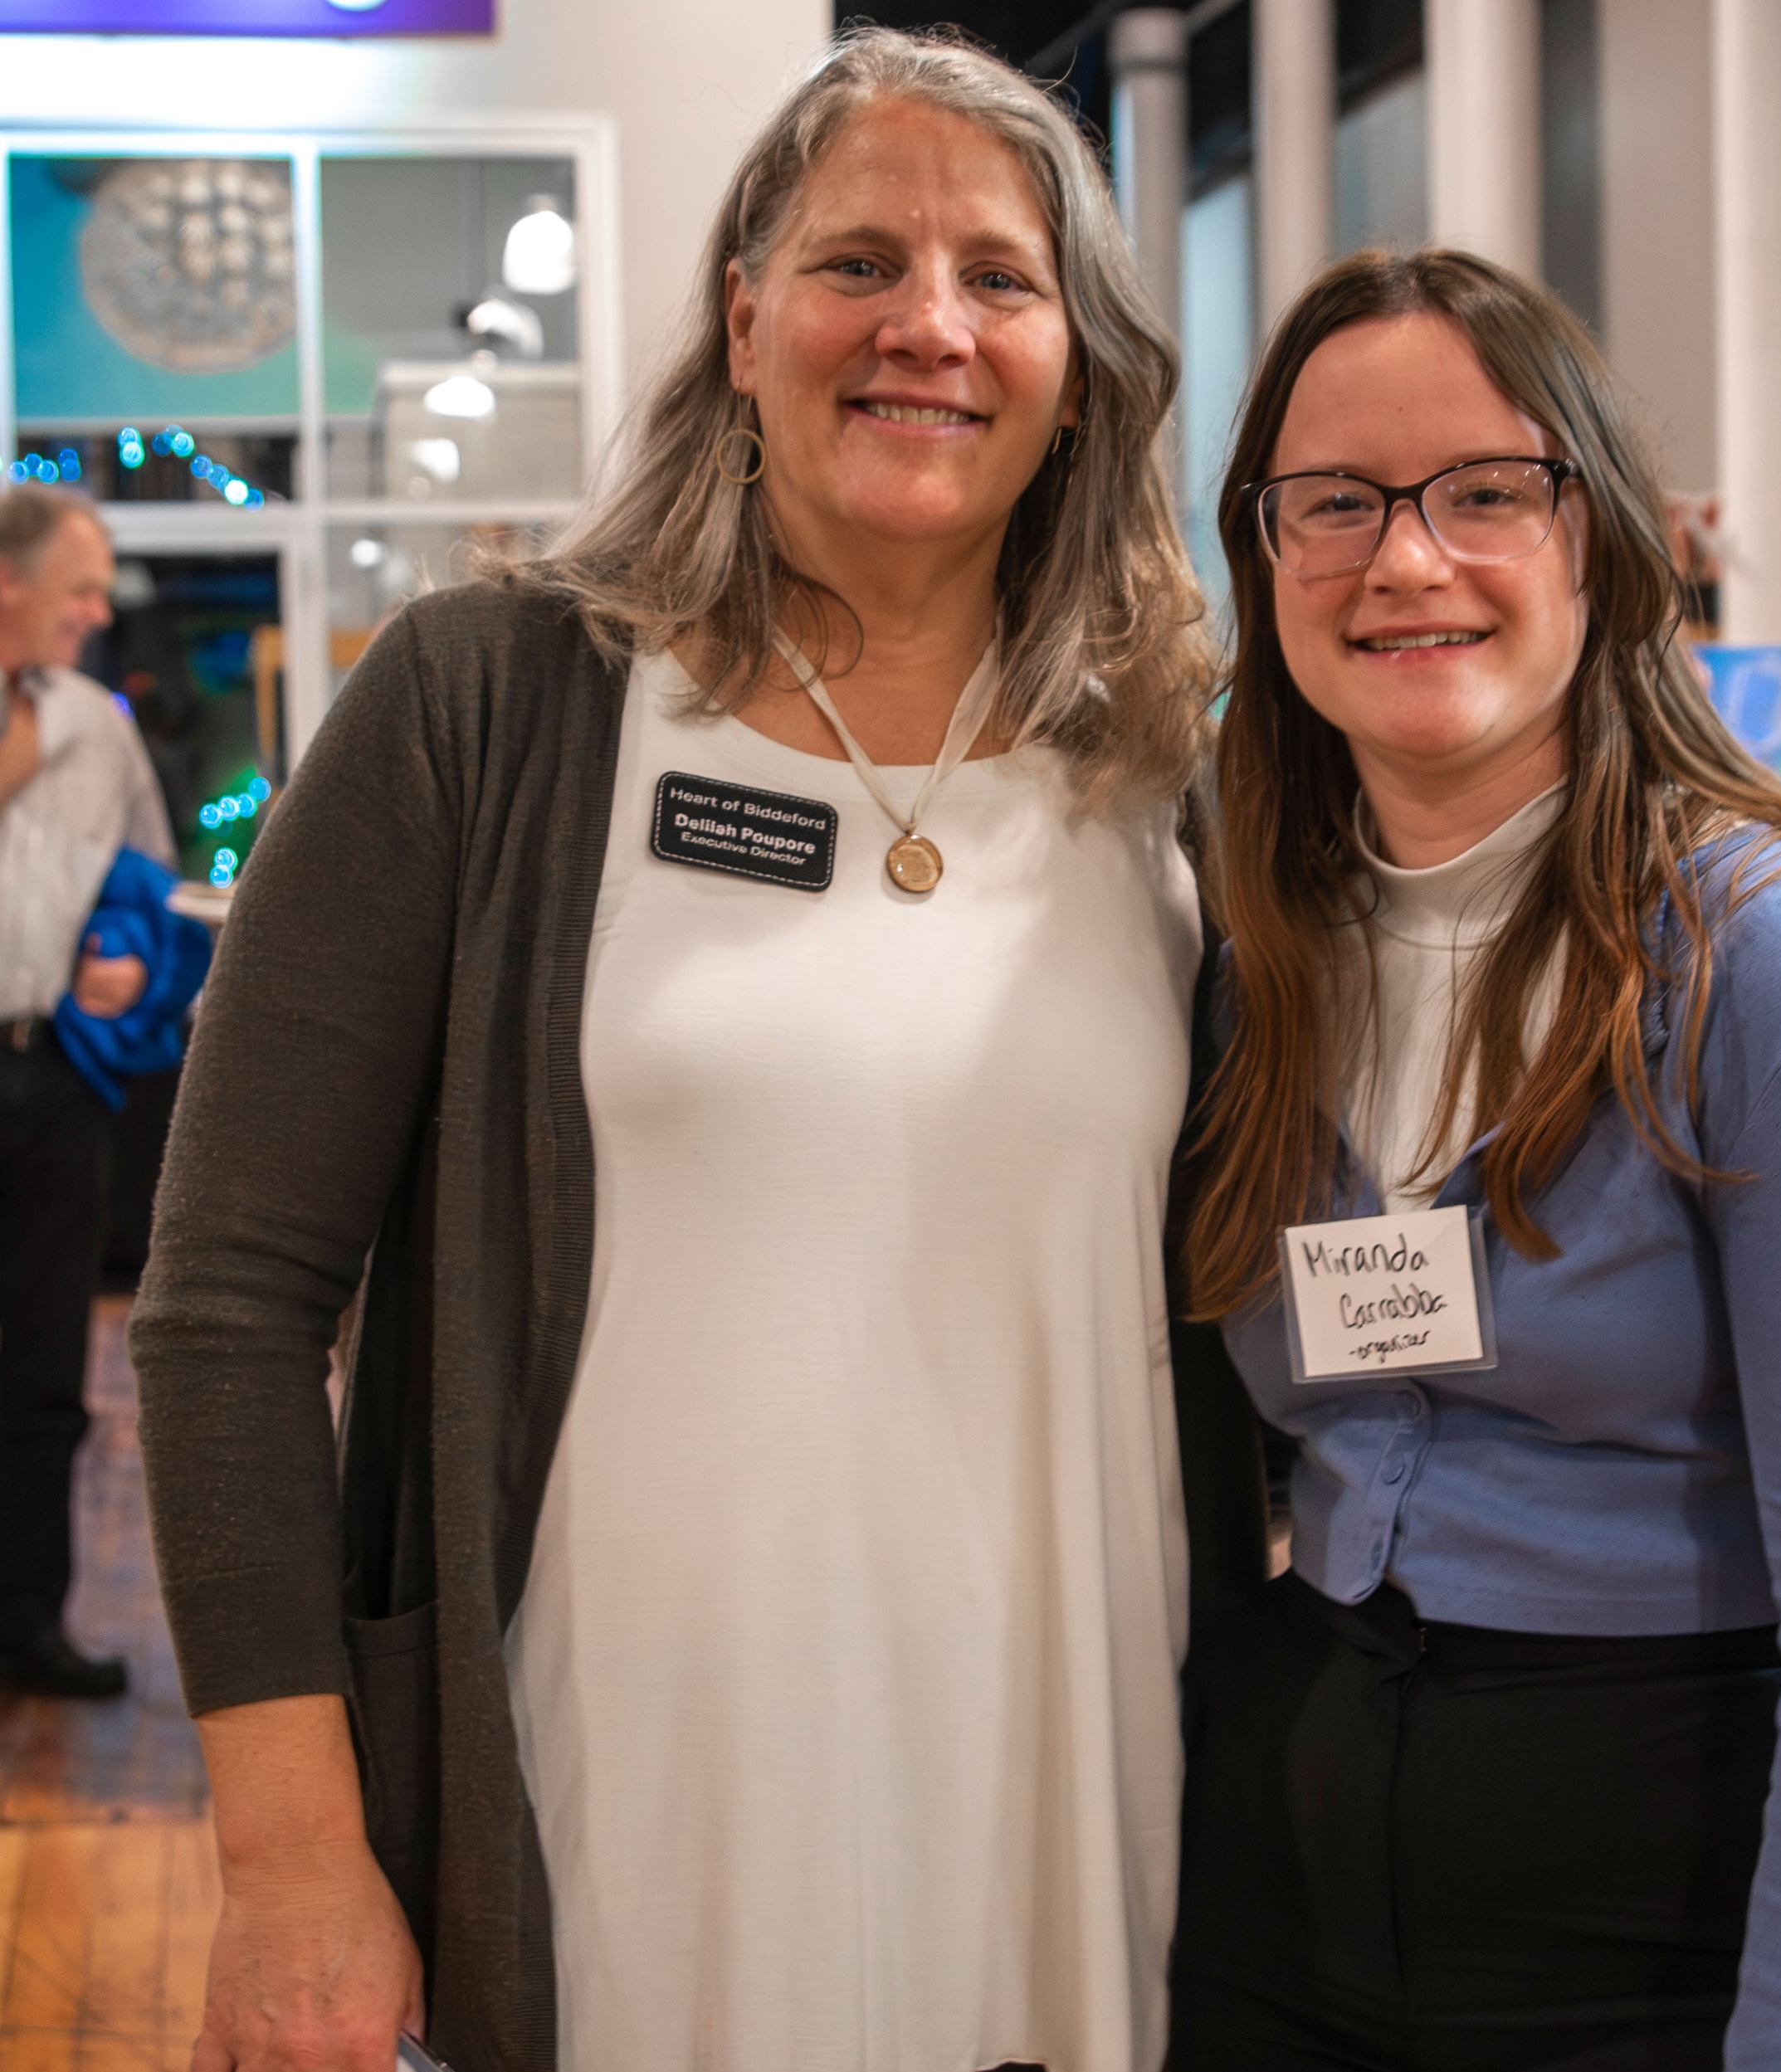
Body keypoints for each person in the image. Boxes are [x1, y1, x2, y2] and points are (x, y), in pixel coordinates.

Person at [129, 30, 1210, 2072]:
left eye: (1000, 276)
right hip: (617, 1820)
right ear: (742, 320)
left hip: (1080, 1791)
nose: (928, 324)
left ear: (1080, 360)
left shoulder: (1171, 776)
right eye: (858, 261)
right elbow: (226, 1310)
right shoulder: (491, 707)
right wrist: (289, 1860)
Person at [1170, 248, 1781, 2072]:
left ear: (1606, 539)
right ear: (1266, 556)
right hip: (1281, 1898)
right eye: (1335, 503)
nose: (1405, 558)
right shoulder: (1257, 960)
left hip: (1654, 1919)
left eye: (1487, 491)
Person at [0, 481, 170, 1700]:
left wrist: (129, 954)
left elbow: (146, 878)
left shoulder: (93, 722)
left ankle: (29, 1622)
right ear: (10, 584)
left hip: (52, 1074)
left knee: (48, 1365)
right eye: (80, 586)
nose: (99, 610)